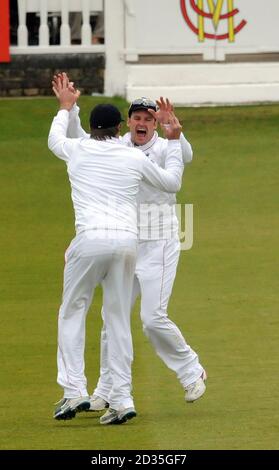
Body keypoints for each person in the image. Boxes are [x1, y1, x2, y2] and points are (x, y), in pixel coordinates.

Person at [53, 76, 207, 412]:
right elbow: (83, 142)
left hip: (161, 243)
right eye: (137, 117)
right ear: (128, 121)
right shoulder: (118, 145)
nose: (142, 123)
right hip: (126, 241)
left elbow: (187, 156)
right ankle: (107, 390)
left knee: (152, 318)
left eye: (148, 118)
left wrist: (176, 133)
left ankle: (191, 370)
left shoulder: (168, 145)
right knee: (113, 320)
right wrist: (74, 111)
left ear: (156, 123)